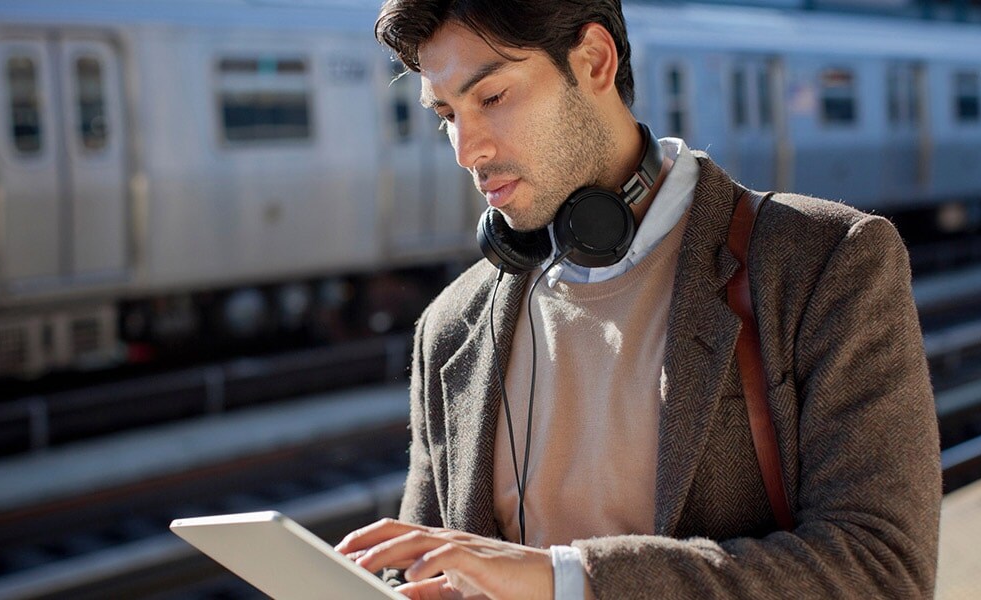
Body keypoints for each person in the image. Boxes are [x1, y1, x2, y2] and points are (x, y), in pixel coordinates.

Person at [336, 1, 942, 598]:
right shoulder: (452, 326)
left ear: (595, 61)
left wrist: (567, 581)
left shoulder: (822, 262)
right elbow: (421, 567)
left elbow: (883, 572)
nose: (467, 150)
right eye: (446, 114)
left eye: (492, 98)